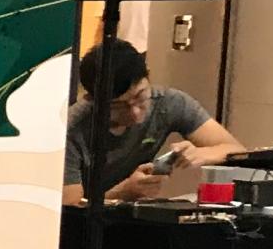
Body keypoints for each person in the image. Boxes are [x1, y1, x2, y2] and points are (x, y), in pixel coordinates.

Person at [61, 38, 245, 205]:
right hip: (84, 225)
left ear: (148, 78)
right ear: (92, 100)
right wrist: (122, 193)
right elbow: (70, 211)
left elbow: (239, 152)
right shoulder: (70, 128)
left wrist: (203, 153)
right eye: (118, 106)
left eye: (140, 97)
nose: (134, 112)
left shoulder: (169, 103)